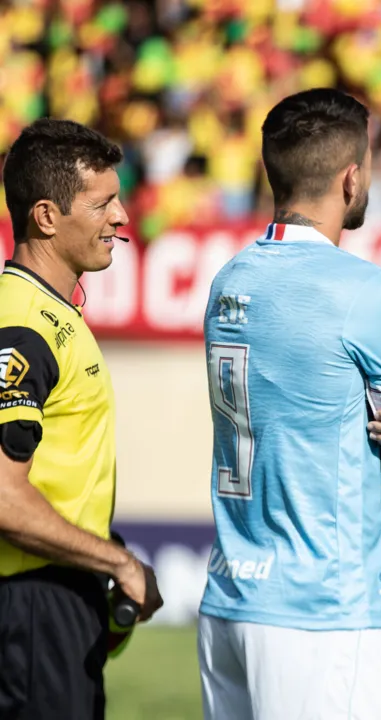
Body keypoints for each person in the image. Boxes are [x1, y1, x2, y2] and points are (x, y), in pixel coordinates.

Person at [196, 88, 381, 720]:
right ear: (352, 177)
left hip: (230, 602)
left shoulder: (228, 280)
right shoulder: (371, 293)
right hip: (325, 610)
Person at [0, 118, 164, 719]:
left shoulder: (48, 312)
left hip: (57, 592)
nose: (121, 216)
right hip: (33, 603)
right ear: (46, 216)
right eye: (103, 203)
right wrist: (115, 560)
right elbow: (4, 499)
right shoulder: (22, 323)